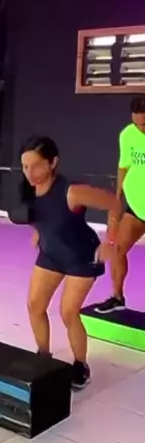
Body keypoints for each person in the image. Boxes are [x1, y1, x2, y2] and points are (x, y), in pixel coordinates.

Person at [12, 136, 120, 390]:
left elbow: (115, 203)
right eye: (25, 166)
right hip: (51, 254)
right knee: (35, 306)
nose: (30, 173)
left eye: (37, 165)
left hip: (81, 257)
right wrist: (40, 232)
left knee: (68, 312)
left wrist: (110, 241)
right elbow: (43, 215)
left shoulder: (72, 191)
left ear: (53, 163)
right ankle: (43, 357)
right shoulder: (29, 189)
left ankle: (81, 365)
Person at [94, 97, 145, 314]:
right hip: (136, 205)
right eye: (137, 124)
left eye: (144, 124)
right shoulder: (127, 135)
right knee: (117, 249)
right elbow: (124, 167)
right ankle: (117, 297)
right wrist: (117, 199)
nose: (140, 128)